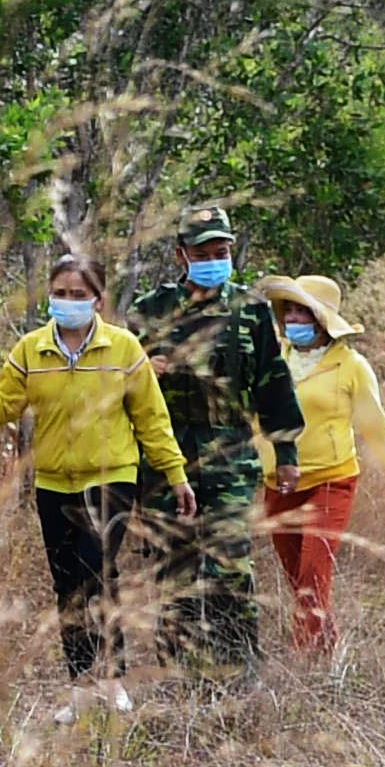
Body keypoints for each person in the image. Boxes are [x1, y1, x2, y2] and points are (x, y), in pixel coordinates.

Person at [0, 249, 189, 703]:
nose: (68, 301)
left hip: (110, 478)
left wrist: (175, 472)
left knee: (95, 571)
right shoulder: (32, 348)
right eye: (59, 293)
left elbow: (151, 417)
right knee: (66, 584)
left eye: (78, 294)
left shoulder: (124, 348)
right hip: (52, 483)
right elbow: (2, 406)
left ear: (98, 300)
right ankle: (81, 686)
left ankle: (111, 680)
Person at [126, 204, 306, 674]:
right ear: (182, 255)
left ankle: (238, 670)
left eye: (221, 250)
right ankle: (179, 673)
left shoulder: (251, 309)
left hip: (230, 456)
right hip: (168, 461)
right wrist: (147, 371)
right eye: (203, 251)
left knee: (230, 566)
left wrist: (286, 451)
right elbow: (119, 387)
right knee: (175, 570)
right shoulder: (148, 312)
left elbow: (273, 380)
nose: (213, 259)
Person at [252, 274, 385, 663]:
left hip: (331, 480)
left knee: (313, 571)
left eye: (302, 311)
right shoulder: (276, 360)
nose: (293, 319)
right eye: (288, 310)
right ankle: (328, 651)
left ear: (322, 319)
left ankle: (302, 659)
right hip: (281, 482)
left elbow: (377, 428)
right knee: (299, 577)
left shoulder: (351, 366)